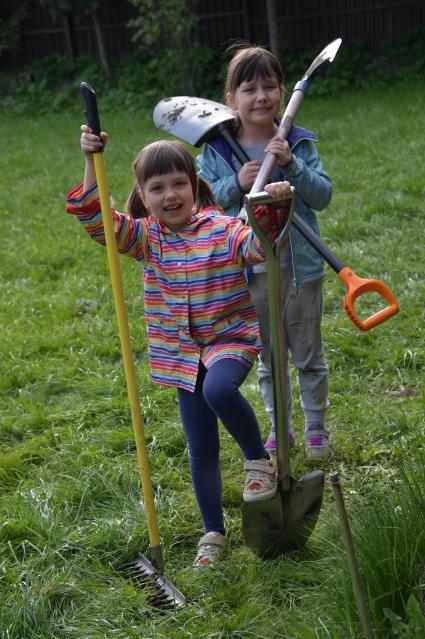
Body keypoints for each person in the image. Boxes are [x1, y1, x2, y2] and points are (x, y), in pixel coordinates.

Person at [66, 126, 293, 567]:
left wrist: (273, 210)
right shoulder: (146, 238)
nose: (170, 195)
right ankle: (212, 531)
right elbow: (97, 219)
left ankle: (259, 460)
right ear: (143, 195)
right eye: (157, 188)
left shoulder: (221, 227)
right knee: (200, 448)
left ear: (194, 185)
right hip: (181, 356)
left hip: (228, 339)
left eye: (178, 184)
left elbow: (255, 246)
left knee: (219, 391)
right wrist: (90, 162)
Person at [197, 44, 333, 460]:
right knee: (270, 358)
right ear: (230, 100)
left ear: (281, 92)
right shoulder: (217, 151)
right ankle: (280, 428)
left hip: (300, 266)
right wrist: (235, 182)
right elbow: (203, 210)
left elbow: (322, 196)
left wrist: (291, 165)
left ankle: (315, 429)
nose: (261, 97)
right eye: (249, 89)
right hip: (250, 272)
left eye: (270, 87)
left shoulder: (298, 142)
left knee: (307, 352)